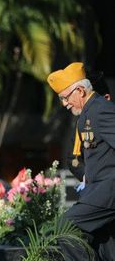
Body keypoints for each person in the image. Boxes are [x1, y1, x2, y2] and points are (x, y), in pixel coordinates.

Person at [47, 62, 115, 260]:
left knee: (66, 226)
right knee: (106, 250)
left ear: (80, 91)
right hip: (98, 191)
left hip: (108, 191)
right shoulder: (88, 112)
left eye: (65, 97)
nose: (64, 104)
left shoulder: (100, 109)